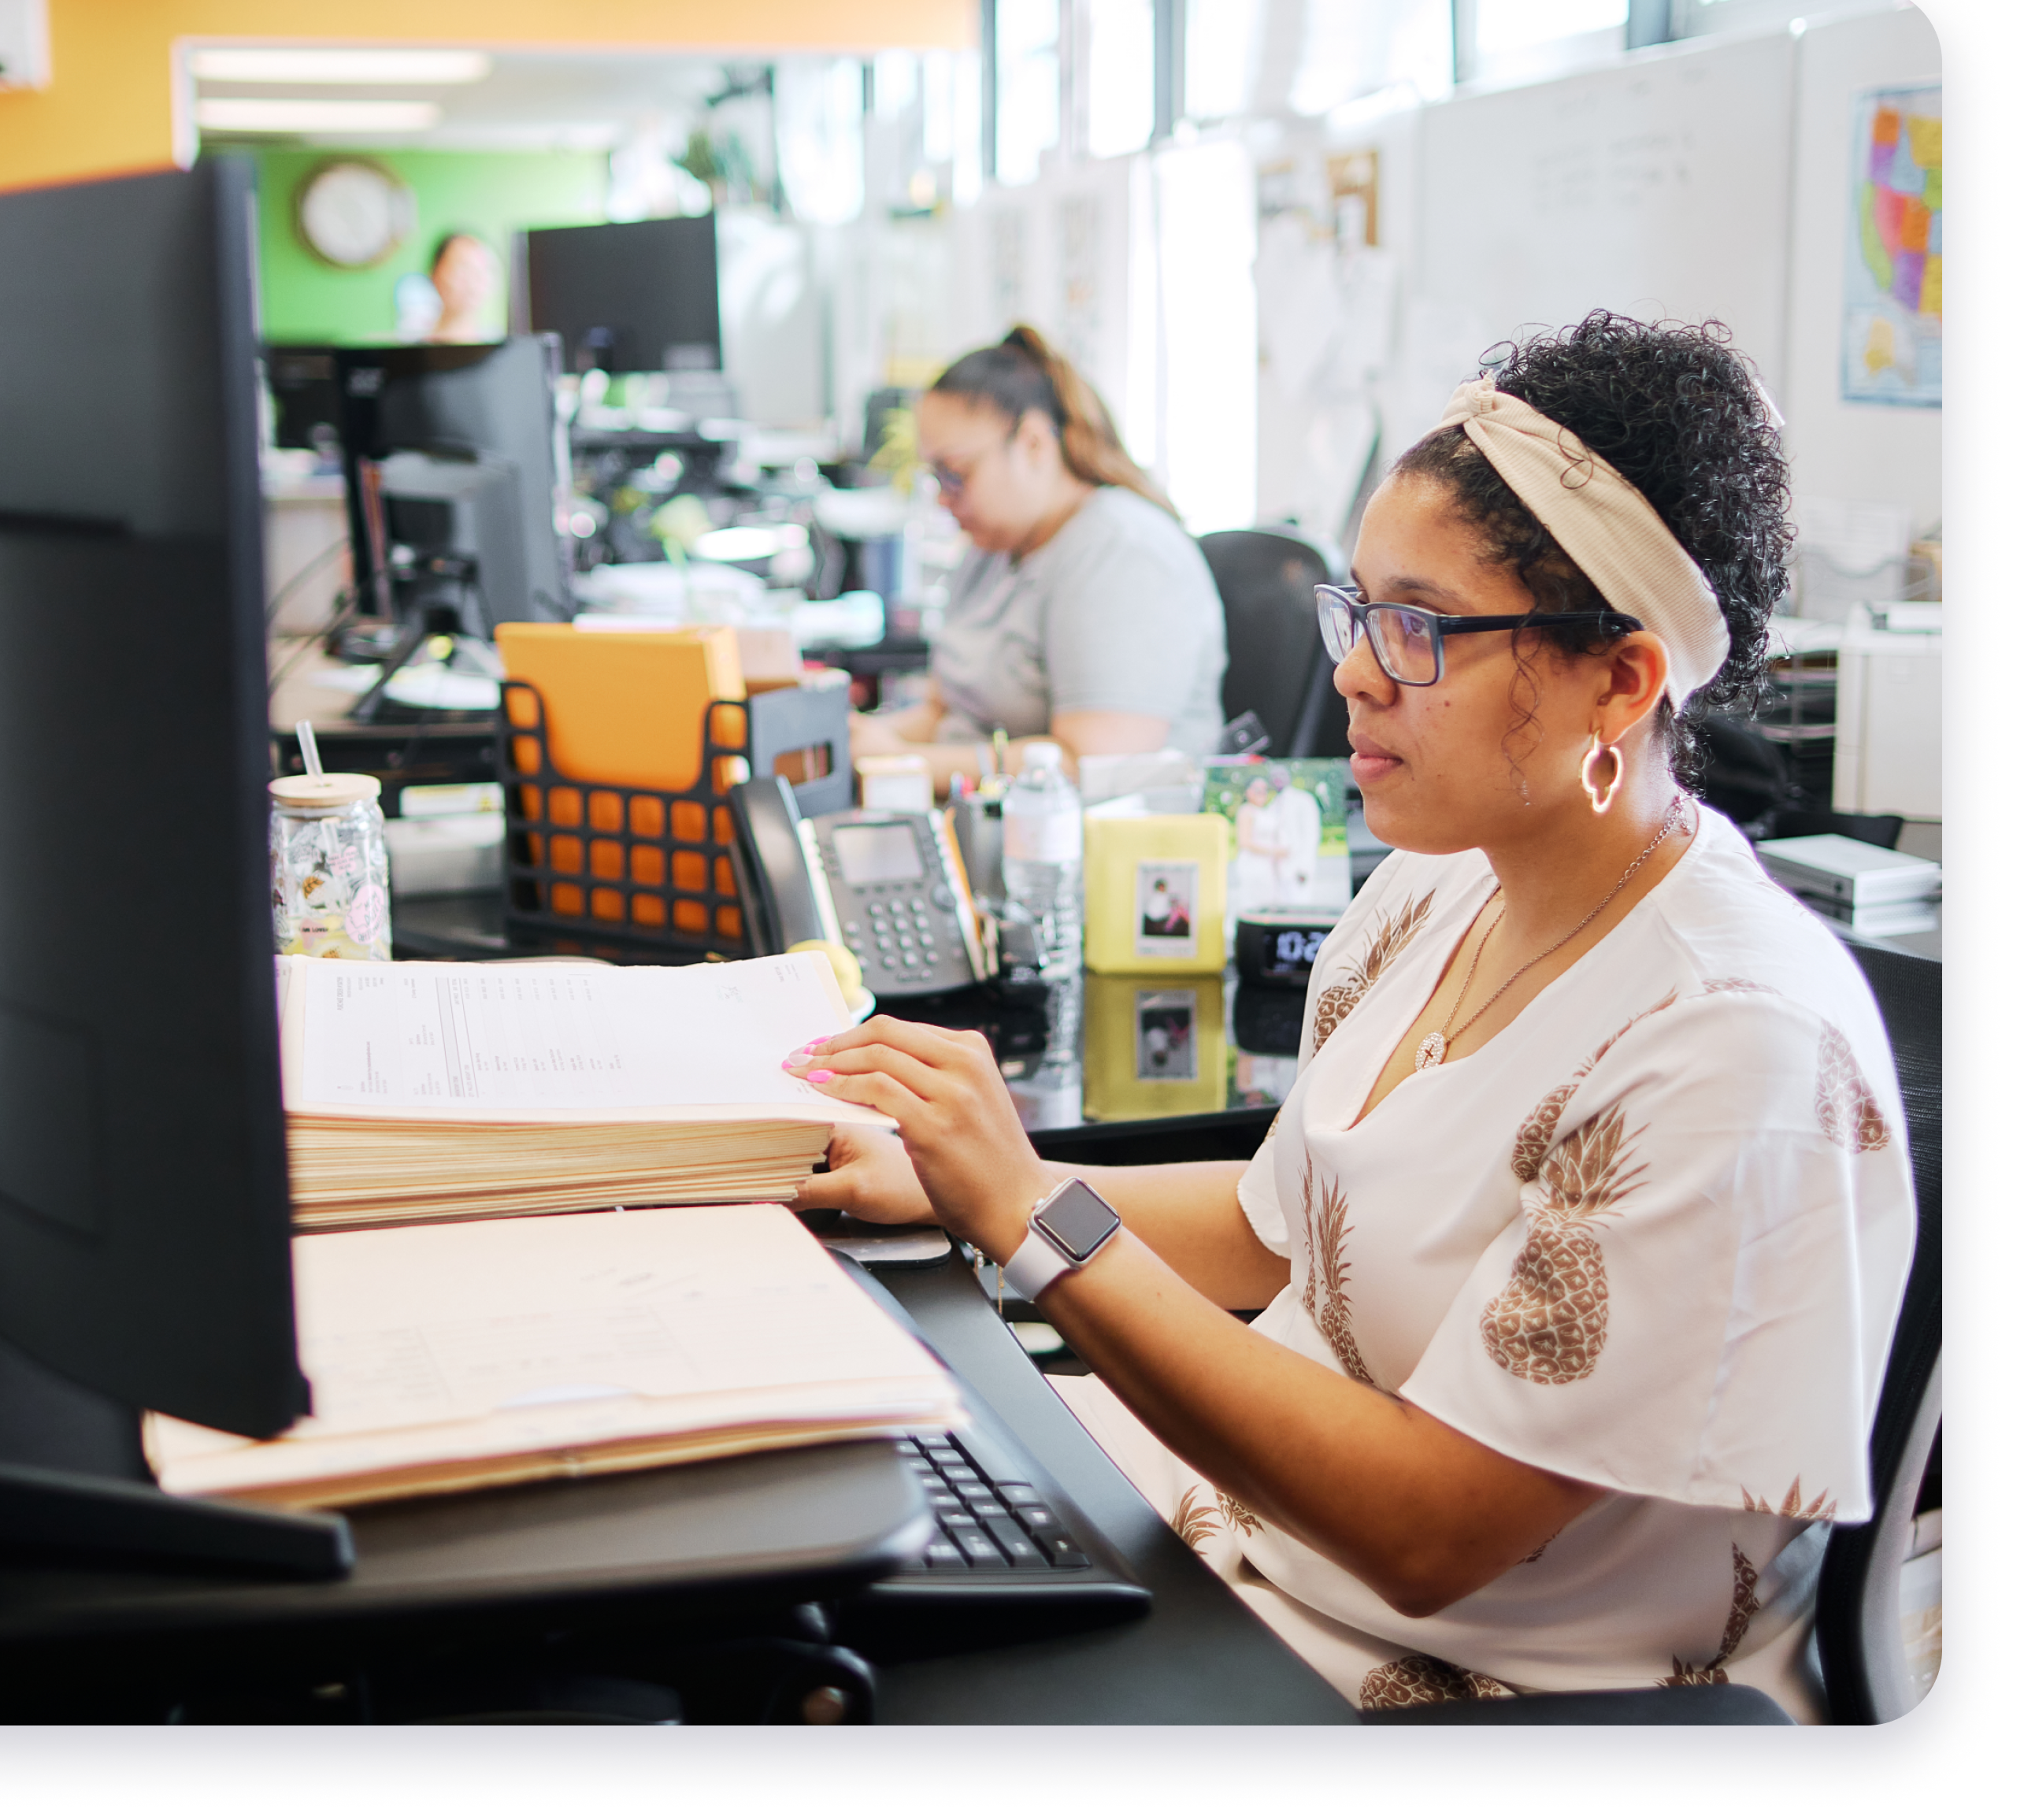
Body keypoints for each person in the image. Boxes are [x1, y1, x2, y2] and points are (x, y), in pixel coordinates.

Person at [788, 313, 1913, 1722]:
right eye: (1357, 609)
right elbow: (1278, 1225)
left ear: (1619, 681)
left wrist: (1029, 1218)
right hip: (1245, 1551)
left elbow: (1427, 1534)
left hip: (1480, 1685)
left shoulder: (1730, 1038)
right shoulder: (1434, 890)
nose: (1354, 673)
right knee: (797, 1569)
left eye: (1421, 628)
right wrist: (961, 1181)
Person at [847, 327, 1228, 786]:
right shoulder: (993, 547)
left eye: (955, 474)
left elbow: (1090, 764)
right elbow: (943, 713)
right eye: (936, 476)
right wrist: (857, 740)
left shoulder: (1122, 553)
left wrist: (906, 766)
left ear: (1033, 444)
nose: (943, 499)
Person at [1233, 769, 1324, 913]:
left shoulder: (1302, 800)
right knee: (1254, 904)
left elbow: (1310, 836)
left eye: (1264, 790)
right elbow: (1245, 842)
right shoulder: (1251, 810)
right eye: (1257, 790)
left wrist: (1305, 867)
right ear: (1248, 792)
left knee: (1294, 908)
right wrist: (1275, 852)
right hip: (1258, 867)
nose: (1261, 793)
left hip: (1285, 869)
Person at [425, 232, 502, 345]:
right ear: (435, 275)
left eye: (479, 272)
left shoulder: (499, 347)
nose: (472, 283)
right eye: (463, 270)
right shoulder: (411, 349)